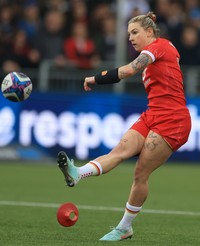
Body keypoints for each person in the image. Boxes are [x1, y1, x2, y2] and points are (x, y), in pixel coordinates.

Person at [57, 12, 191, 241]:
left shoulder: (160, 46)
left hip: (173, 121)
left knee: (140, 172)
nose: (130, 38)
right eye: (129, 33)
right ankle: (77, 173)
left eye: (135, 32)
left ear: (150, 32)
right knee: (119, 152)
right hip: (153, 115)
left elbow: (129, 70)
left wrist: (95, 78)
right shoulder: (151, 54)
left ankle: (125, 227)